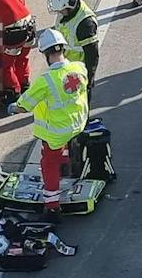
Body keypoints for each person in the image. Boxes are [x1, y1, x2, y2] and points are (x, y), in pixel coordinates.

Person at [10, 29, 90, 214]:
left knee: (48, 164)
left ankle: (52, 205)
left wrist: (13, 107)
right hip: (77, 122)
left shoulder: (45, 80)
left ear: (45, 53)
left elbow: (24, 106)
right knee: (63, 150)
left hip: (56, 132)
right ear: (63, 48)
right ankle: (68, 164)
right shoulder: (79, 68)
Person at [46, 0, 100, 102]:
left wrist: (89, 79)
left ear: (69, 6)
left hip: (79, 70)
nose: (59, 13)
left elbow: (92, 54)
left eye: (61, 10)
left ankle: (84, 120)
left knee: (79, 103)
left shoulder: (85, 24)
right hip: (65, 66)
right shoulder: (65, 13)